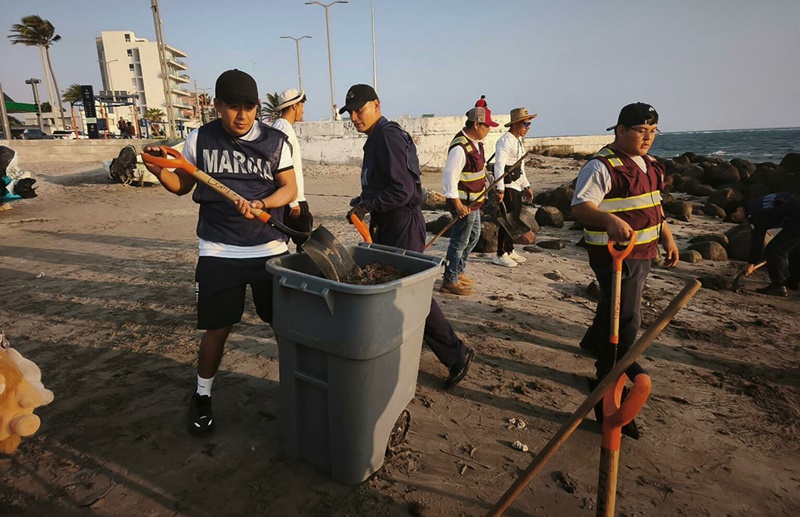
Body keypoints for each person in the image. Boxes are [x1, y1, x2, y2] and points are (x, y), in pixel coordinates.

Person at [142, 69, 297, 436]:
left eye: (249, 107)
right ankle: (202, 394)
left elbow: (288, 189)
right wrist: (158, 171)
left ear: (258, 107)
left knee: (284, 328)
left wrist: (262, 203)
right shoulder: (200, 139)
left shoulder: (275, 141)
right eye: (233, 106)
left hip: (270, 249)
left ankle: (297, 389)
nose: (241, 115)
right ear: (217, 105)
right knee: (217, 329)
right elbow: (181, 184)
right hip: (218, 249)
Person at [340, 84, 474, 388]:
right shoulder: (376, 139)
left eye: (359, 110)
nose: (354, 117)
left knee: (411, 293)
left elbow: (403, 190)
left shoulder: (387, 136)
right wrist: (362, 203)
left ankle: (456, 354)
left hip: (402, 223)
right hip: (388, 223)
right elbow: (386, 185)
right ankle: (396, 349)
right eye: (350, 113)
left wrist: (367, 205)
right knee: (392, 290)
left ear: (377, 104)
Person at [570, 102, 678, 438]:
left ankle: (594, 343)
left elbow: (654, 206)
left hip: (643, 252)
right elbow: (580, 206)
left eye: (653, 131)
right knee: (626, 320)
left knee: (613, 307)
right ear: (620, 130)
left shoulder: (651, 165)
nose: (648, 138)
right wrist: (608, 220)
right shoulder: (602, 167)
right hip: (614, 255)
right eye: (641, 131)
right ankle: (609, 385)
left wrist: (667, 237)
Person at [440, 106, 498, 295]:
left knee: (473, 237)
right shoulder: (460, 148)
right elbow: (449, 177)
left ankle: (458, 270)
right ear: (476, 124)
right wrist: (457, 204)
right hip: (464, 205)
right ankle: (449, 280)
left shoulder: (476, 144)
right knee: (459, 242)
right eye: (486, 126)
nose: (488, 130)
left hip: (475, 203)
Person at [727, 192, 800, 296]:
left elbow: (758, 239)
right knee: (792, 247)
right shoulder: (755, 204)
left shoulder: (755, 214)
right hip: (795, 216)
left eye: (734, 217)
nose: (735, 220)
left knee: (774, 250)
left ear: (739, 209)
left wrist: (751, 263)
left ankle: (778, 286)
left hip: (796, 219)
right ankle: (794, 280)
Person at [492, 107, 537, 268]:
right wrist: (500, 188)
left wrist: (526, 186)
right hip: (508, 185)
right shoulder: (505, 141)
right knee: (508, 220)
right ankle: (500, 253)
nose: (528, 128)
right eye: (526, 124)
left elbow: (520, 167)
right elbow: (499, 165)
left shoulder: (517, 141)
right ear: (516, 124)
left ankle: (509, 250)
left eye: (529, 124)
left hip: (517, 185)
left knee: (515, 218)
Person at [272, 88, 313, 250]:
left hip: (285, 196)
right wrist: (293, 201)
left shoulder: (278, 127)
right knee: (306, 244)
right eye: (301, 106)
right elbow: (282, 166)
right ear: (294, 106)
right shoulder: (284, 131)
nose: (302, 110)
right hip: (292, 197)